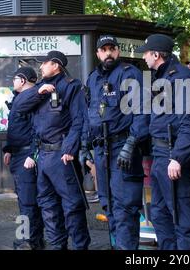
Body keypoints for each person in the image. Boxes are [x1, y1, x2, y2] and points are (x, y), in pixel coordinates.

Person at [137, 34, 190, 250]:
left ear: (156, 54)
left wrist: (178, 157)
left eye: (146, 53)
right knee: (160, 214)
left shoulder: (180, 77)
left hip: (173, 155)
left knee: (183, 218)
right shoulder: (163, 77)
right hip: (159, 154)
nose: (144, 58)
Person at [82, 35, 149, 249]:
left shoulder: (130, 74)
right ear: (98, 53)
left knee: (125, 207)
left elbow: (141, 111)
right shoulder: (93, 78)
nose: (108, 53)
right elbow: (88, 113)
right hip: (101, 149)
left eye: (112, 49)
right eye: (104, 49)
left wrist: (131, 143)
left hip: (123, 147)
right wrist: (84, 145)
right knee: (108, 205)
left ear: (118, 51)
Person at [20, 50, 90, 250]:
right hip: (42, 155)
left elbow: (79, 120)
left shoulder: (71, 86)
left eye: (44, 63)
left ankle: (79, 246)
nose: (40, 67)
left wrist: (70, 148)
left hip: (62, 155)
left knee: (72, 206)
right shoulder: (40, 88)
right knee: (47, 204)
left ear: (55, 65)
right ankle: (58, 245)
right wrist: (37, 92)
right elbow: (19, 108)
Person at [2, 67, 44, 250]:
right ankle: (31, 239)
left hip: (26, 156)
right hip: (18, 154)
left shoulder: (33, 98)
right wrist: (9, 149)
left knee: (28, 201)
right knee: (24, 200)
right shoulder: (21, 99)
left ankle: (27, 240)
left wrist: (31, 154)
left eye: (15, 78)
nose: (13, 82)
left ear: (23, 80)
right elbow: (18, 129)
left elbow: (37, 129)